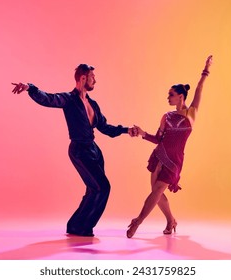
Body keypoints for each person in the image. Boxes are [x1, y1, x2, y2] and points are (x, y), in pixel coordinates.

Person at [12, 64, 137, 237]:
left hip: (94, 150)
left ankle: (75, 225)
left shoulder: (93, 103)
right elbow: (48, 99)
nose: (95, 80)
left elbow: (105, 127)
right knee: (103, 187)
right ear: (83, 78)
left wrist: (126, 130)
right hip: (79, 150)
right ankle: (84, 227)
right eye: (93, 77)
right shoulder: (69, 99)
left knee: (93, 189)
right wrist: (30, 88)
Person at [126, 55, 213, 238]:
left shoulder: (192, 113)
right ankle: (171, 220)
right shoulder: (166, 116)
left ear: (181, 96)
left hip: (174, 161)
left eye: (171, 95)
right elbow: (158, 139)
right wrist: (142, 133)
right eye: (168, 95)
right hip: (159, 156)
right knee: (156, 194)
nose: (168, 97)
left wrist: (206, 70)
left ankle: (138, 221)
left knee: (157, 191)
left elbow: (199, 88)